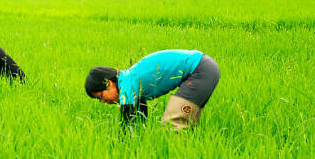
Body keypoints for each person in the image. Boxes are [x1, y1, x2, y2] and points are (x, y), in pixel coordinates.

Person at [85, 49, 220, 131]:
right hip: (204, 67)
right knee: (187, 128)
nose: (103, 101)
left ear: (108, 83)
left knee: (173, 125)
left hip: (199, 70)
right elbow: (140, 121)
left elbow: (126, 126)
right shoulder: (131, 83)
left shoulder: (127, 84)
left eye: (101, 96)